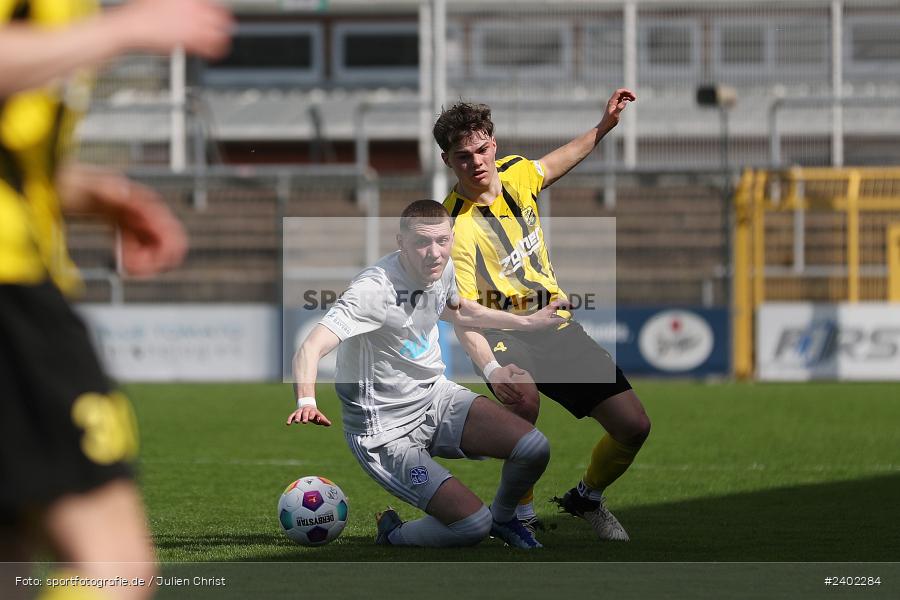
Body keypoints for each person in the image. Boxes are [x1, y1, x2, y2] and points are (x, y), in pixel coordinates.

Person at [0, 1, 232, 597]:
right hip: (10, 289)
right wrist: (123, 30)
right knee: (113, 566)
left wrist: (84, 192)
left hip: (23, 273)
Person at [286, 200, 569, 549]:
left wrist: (526, 322)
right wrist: (306, 399)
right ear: (400, 242)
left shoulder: (442, 267)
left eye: (442, 241)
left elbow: (458, 309)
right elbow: (310, 347)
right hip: (386, 432)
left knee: (534, 448)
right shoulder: (373, 290)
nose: (434, 253)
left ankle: (506, 515)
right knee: (473, 527)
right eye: (422, 242)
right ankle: (393, 534)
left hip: (436, 398)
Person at [433, 89, 651, 541]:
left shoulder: (516, 173)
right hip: (504, 331)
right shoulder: (453, 226)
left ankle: (586, 497)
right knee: (522, 399)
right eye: (461, 156)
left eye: (480, 149)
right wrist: (490, 368)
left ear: (493, 144)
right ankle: (517, 512)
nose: (474, 162)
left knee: (634, 426)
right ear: (447, 161)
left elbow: (558, 161)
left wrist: (604, 125)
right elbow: (463, 312)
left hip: (554, 325)